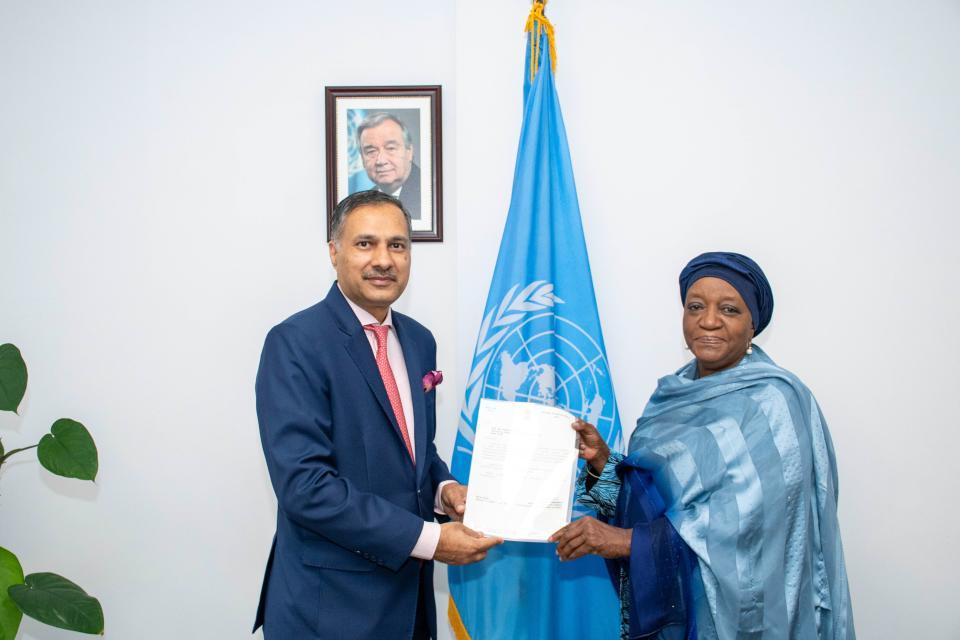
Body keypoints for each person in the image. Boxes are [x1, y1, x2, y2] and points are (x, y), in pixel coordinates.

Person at [550, 252, 855, 639]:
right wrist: (604, 464)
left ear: (753, 326)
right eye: (695, 307)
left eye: (729, 309)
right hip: (674, 612)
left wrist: (630, 543)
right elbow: (652, 499)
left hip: (742, 621)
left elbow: (756, 528)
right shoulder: (671, 395)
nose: (708, 321)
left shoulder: (776, 402)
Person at [253, 190, 501, 639]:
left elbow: (414, 451)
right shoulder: (295, 343)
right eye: (365, 244)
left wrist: (444, 490)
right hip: (329, 611)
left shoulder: (419, 340)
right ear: (334, 252)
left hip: (409, 609)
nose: (384, 260)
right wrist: (432, 540)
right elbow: (305, 488)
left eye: (398, 245)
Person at [357, 112, 422, 221]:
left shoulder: (429, 194)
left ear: (409, 152)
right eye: (371, 151)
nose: (381, 160)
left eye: (391, 148)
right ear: (362, 159)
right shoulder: (362, 204)